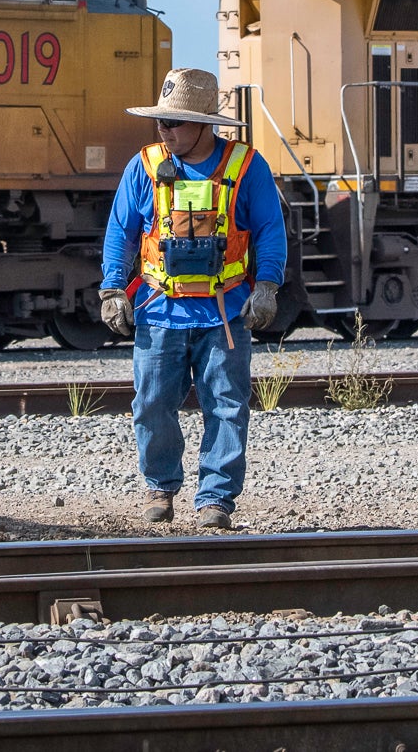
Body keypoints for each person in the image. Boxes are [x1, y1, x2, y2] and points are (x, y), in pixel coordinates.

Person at [100, 67, 287, 529]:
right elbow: (120, 232)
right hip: (158, 312)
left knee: (226, 406)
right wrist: (111, 289)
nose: (163, 131)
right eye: (161, 122)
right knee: (151, 404)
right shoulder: (143, 165)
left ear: (205, 123)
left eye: (173, 123)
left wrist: (267, 286)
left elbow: (270, 229)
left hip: (224, 313)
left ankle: (215, 501)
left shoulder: (247, 166)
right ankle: (160, 487)